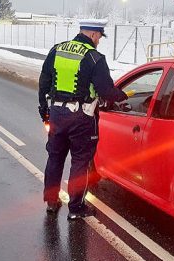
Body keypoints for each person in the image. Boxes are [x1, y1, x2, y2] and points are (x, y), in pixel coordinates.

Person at [38, 19, 128, 220]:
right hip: (81, 117)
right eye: (99, 38)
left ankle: (52, 202)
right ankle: (76, 208)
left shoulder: (56, 50)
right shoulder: (94, 58)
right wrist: (122, 96)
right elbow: (105, 90)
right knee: (80, 161)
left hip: (57, 114)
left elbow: (44, 81)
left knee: (55, 157)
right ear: (94, 35)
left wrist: (44, 109)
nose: (99, 41)